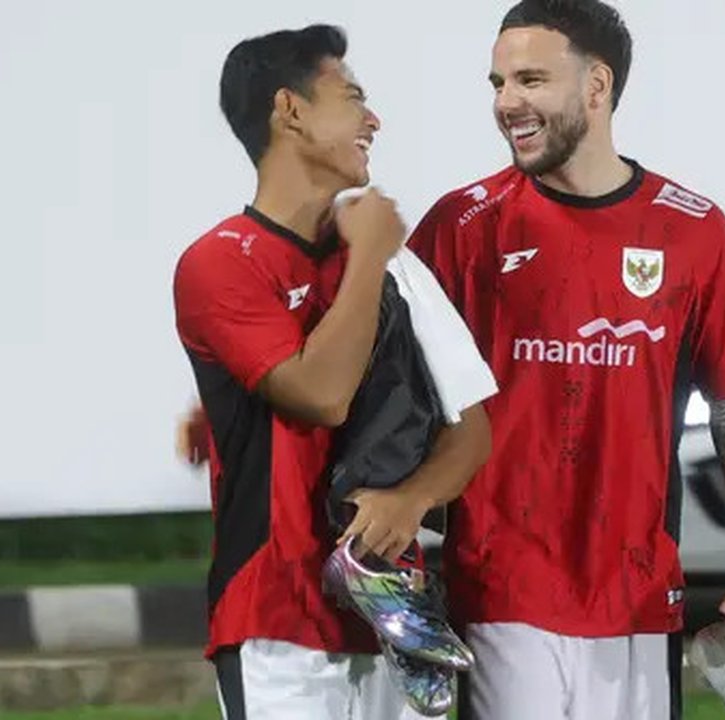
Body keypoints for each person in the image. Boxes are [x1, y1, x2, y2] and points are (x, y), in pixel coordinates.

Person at [404, 1, 725, 717]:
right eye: (498, 83)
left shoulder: (693, 229)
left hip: (638, 596)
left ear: (596, 86)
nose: (506, 103)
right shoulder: (461, 227)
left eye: (530, 80)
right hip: (501, 592)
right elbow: (395, 396)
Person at [171, 25, 490, 719]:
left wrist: (411, 501)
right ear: (290, 110)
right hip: (277, 624)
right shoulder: (219, 262)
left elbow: (471, 427)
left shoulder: (396, 262)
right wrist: (368, 256)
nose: (373, 120)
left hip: (398, 624)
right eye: (352, 98)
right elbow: (321, 395)